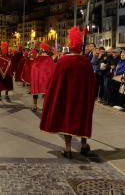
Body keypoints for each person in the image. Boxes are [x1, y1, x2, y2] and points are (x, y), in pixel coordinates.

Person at [40, 27, 96, 159]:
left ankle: (68, 148)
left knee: (67, 121)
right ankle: (83, 146)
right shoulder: (86, 61)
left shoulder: (63, 61)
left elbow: (54, 80)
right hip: (82, 97)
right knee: (82, 119)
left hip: (67, 97)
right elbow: (92, 81)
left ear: (70, 45)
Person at [30, 43, 55, 112]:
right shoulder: (50, 59)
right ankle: (45, 107)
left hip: (37, 79)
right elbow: (52, 70)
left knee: (35, 92)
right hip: (46, 80)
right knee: (46, 92)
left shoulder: (37, 59)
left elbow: (33, 68)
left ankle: (35, 106)